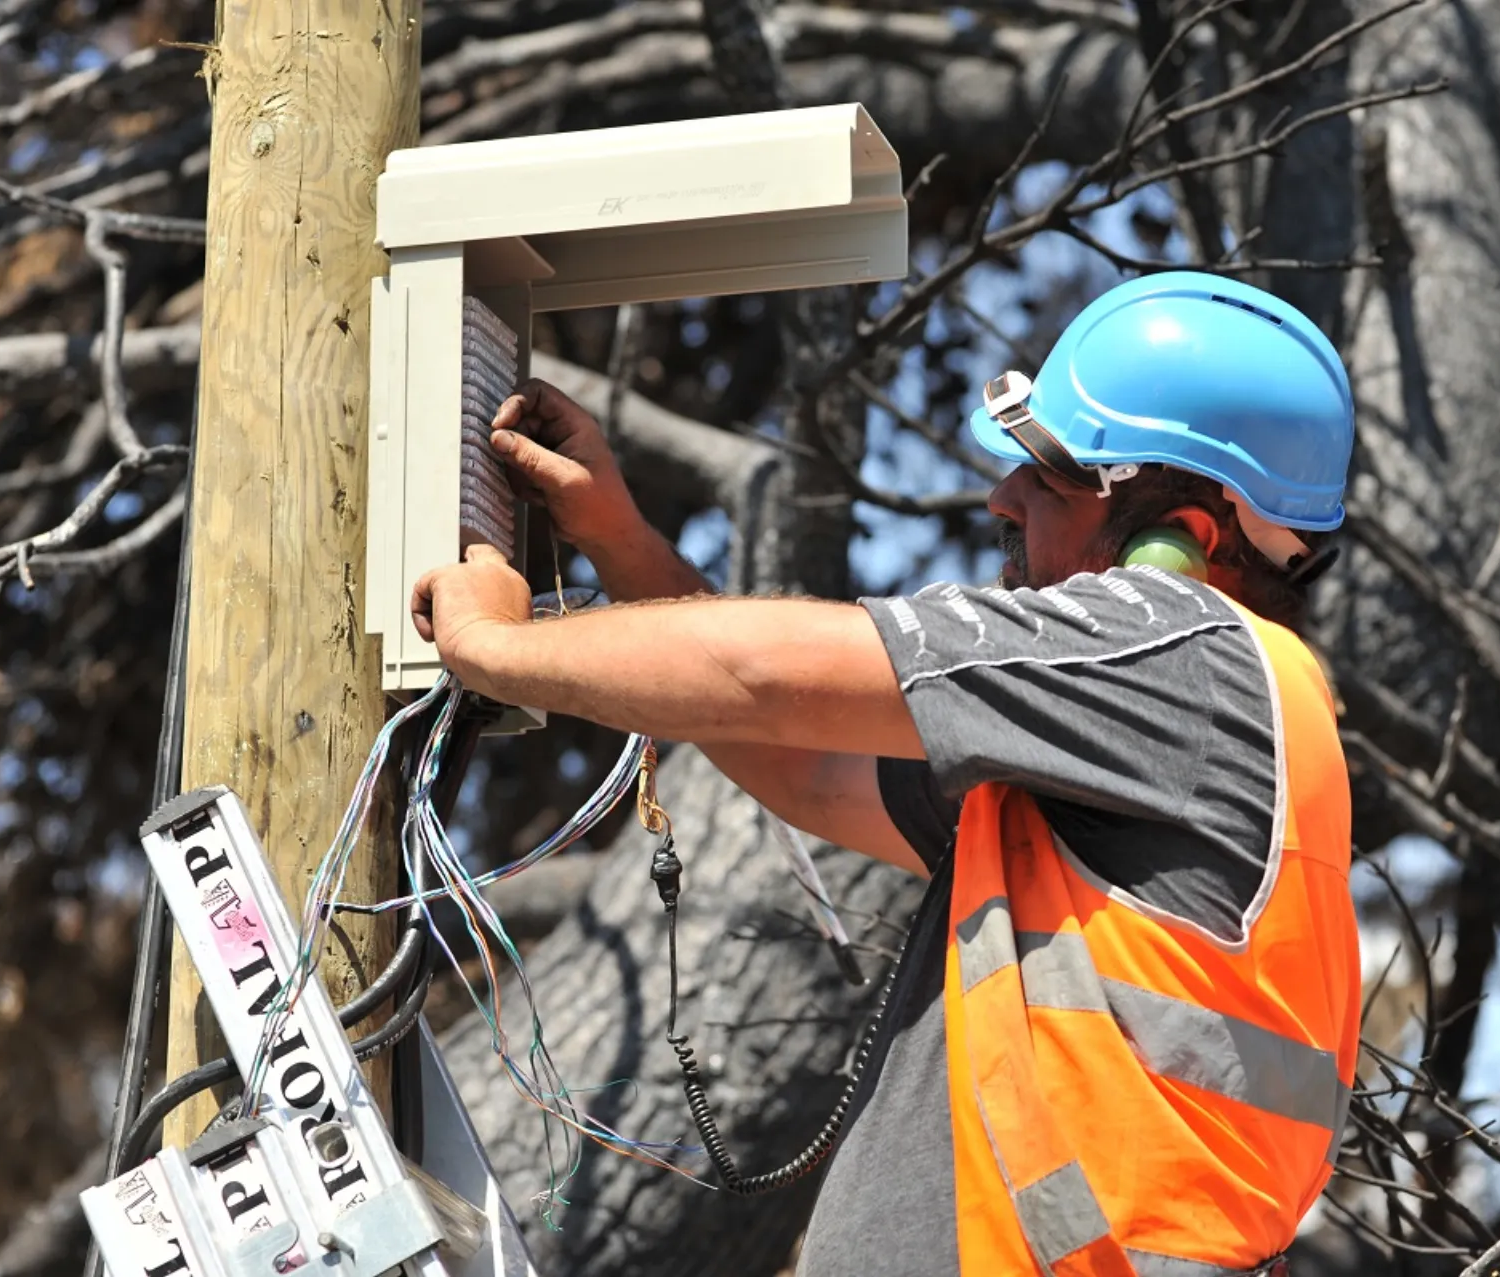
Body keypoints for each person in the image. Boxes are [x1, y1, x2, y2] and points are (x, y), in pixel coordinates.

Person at [411, 271, 1361, 1277]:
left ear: (1184, 542)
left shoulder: (1177, 651)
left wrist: (493, 645)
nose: (1004, 495)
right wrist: (623, 543)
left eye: (1051, 473)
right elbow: (813, 766)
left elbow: (769, 670)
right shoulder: (1151, 742)